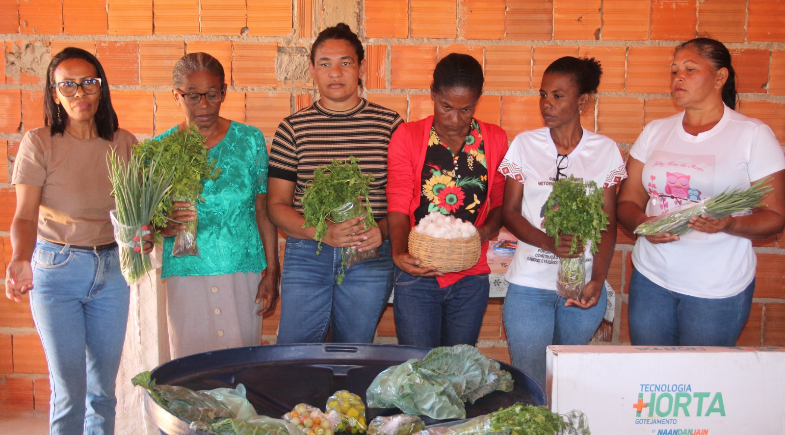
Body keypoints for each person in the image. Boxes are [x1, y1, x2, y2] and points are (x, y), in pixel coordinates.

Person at [4, 47, 148, 435]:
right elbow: (24, 215)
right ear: (54, 93)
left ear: (101, 89)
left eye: (89, 82)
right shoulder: (40, 143)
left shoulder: (123, 143)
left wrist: (145, 236)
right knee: (69, 389)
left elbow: (137, 216)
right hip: (57, 272)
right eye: (67, 84)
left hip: (112, 273)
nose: (79, 93)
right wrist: (19, 257)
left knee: (102, 391)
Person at [617, 38, 785, 346]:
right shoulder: (655, 130)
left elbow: (775, 216)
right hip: (651, 279)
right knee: (651, 377)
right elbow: (627, 201)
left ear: (720, 77)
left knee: (700, 384)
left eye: (690, 69)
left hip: (716, 289)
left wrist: (729, 223)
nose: (678, 77)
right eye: (674, 70)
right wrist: (644, 225)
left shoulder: (752, 135)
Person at [267, 23, 403, 344]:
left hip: (369, 252)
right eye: (325, 64)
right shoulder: (293, 129)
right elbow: (276, 206)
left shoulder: (389, 125)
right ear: (312, 70)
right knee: (295, 349)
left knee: (353, 349)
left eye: (346, 62)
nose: (335, 72)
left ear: (361, 68)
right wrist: (322, 232)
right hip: (307, 251)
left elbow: (406, 198)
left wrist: (381, 231)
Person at [499, 57, 624, 388]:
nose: (546, 104)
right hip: (529, 287)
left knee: (567, 382)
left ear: (582, 101)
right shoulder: (525, 145)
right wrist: (548, 242)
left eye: (557, 95)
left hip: (580, 290)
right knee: (531, 384)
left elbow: (607, 225)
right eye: (542, 94)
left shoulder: (605, 150)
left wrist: (597, 278)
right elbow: (508, 211)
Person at [158, 52, 280, 358]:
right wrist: (164, 224)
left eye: (212, 94)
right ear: (176, 95)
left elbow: (263, 210)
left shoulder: (249, 141)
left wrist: (272, 271)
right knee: (192, 368)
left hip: (242, 270)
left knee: (239, 365)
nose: (204, 105)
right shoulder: (161, 150)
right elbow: (150, 222)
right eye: (193, 96)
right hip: (186, 273)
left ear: (223, 92)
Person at [386, 53, 507, 348]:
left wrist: (484, 232)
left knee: (457, 371)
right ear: (433, 95)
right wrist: (399, 254)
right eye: (446, 107)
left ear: (478, 101)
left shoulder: (494, 139)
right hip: (418, 274)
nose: (455, 119)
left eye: (466, 109)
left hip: (470, 276)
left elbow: (501, 204)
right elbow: (399, 201)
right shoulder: (409, 136)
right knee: (419, 369)